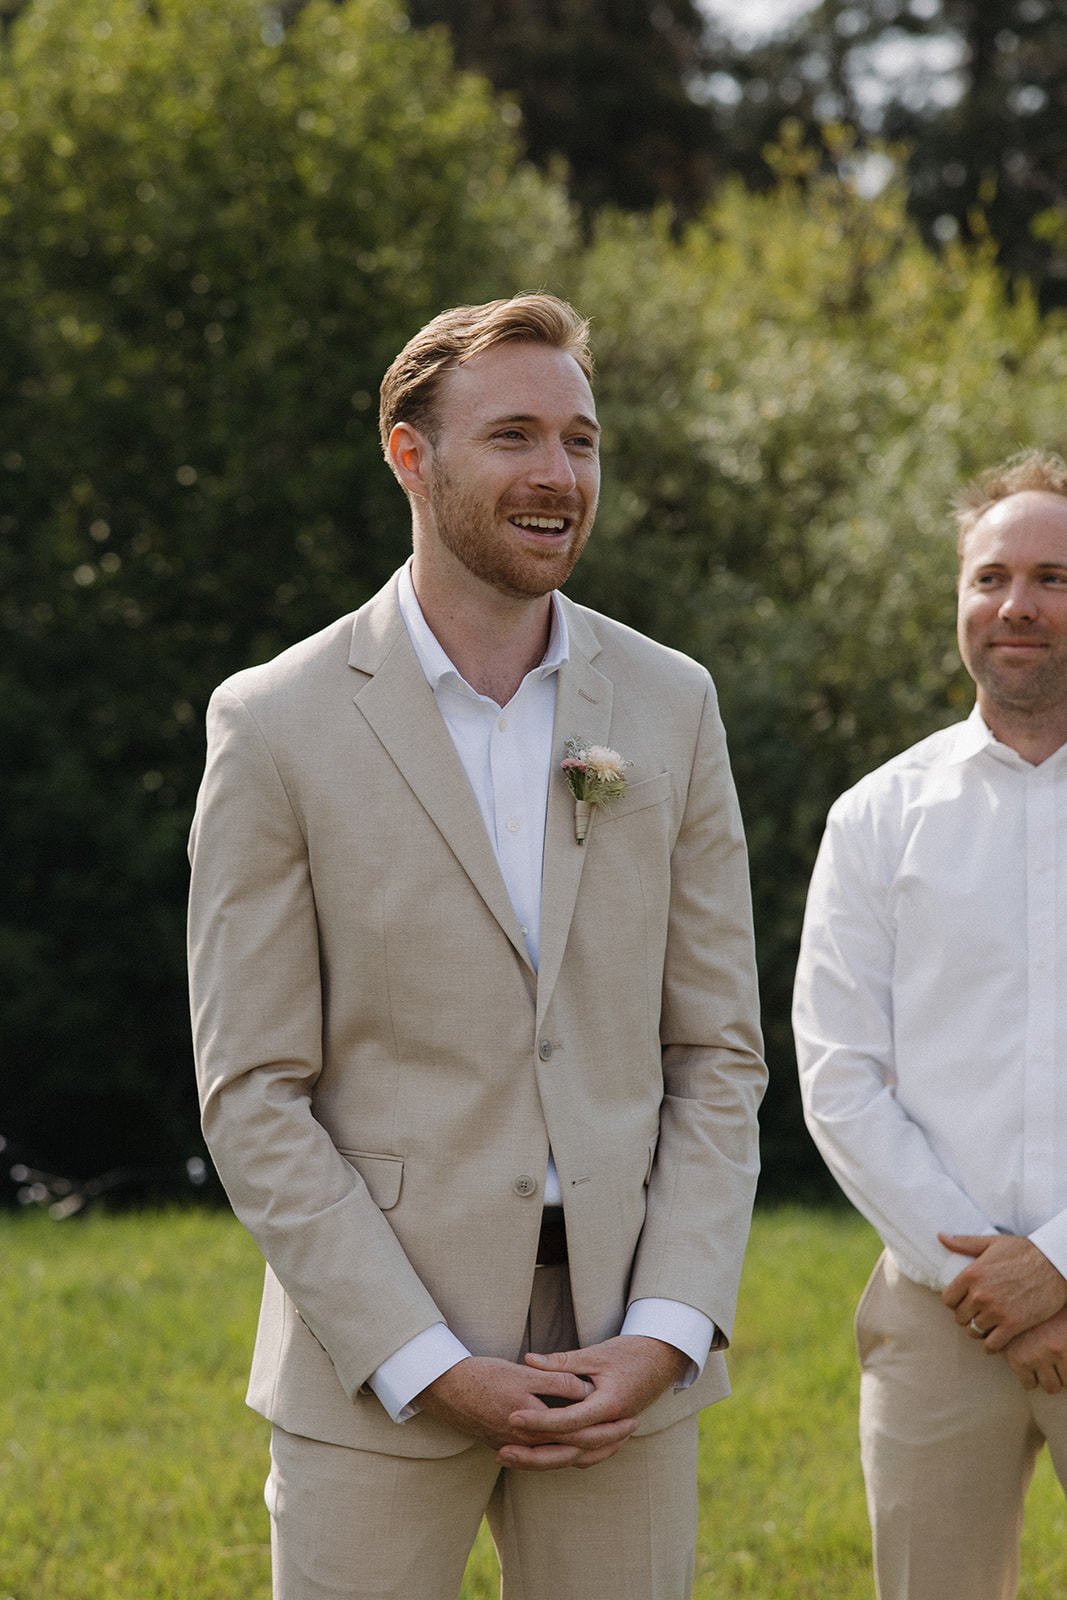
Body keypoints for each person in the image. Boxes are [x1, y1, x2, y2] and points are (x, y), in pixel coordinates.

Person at [187, 293, 765, 1600]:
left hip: (622, 1360)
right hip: (374, 1364)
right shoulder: (273, 724)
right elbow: (251, 1092)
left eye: (581, 440)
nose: (557, 475)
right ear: (410, 455)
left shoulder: (671, 704)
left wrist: (666, 1332)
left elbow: (716, 1051)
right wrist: (420, 1358)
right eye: (512, 435)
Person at [793, 449, 1067, 1600]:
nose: (1016, 604)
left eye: (1053, 576)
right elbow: (837, 1074)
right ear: (956, 596)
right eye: (989, 575)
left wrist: (1055, 1262)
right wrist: (990, 1285)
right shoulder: (874, 816)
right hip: (933, 1314)